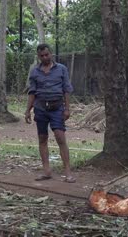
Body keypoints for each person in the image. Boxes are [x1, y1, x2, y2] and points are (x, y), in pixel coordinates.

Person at [24, 44, 76, 183]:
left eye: (47, 55)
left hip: (57, 108)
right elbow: (32, 92)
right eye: (42, 56)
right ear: (38, 56)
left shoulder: (61, 69)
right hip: (40, 108)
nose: (45, 57)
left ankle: (68, 173)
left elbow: (66, 90)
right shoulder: (35, 72)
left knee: (60, 138)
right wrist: (27, 110)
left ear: (51, 54)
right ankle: (46, 171)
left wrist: (67, 109)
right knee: (42, 139)